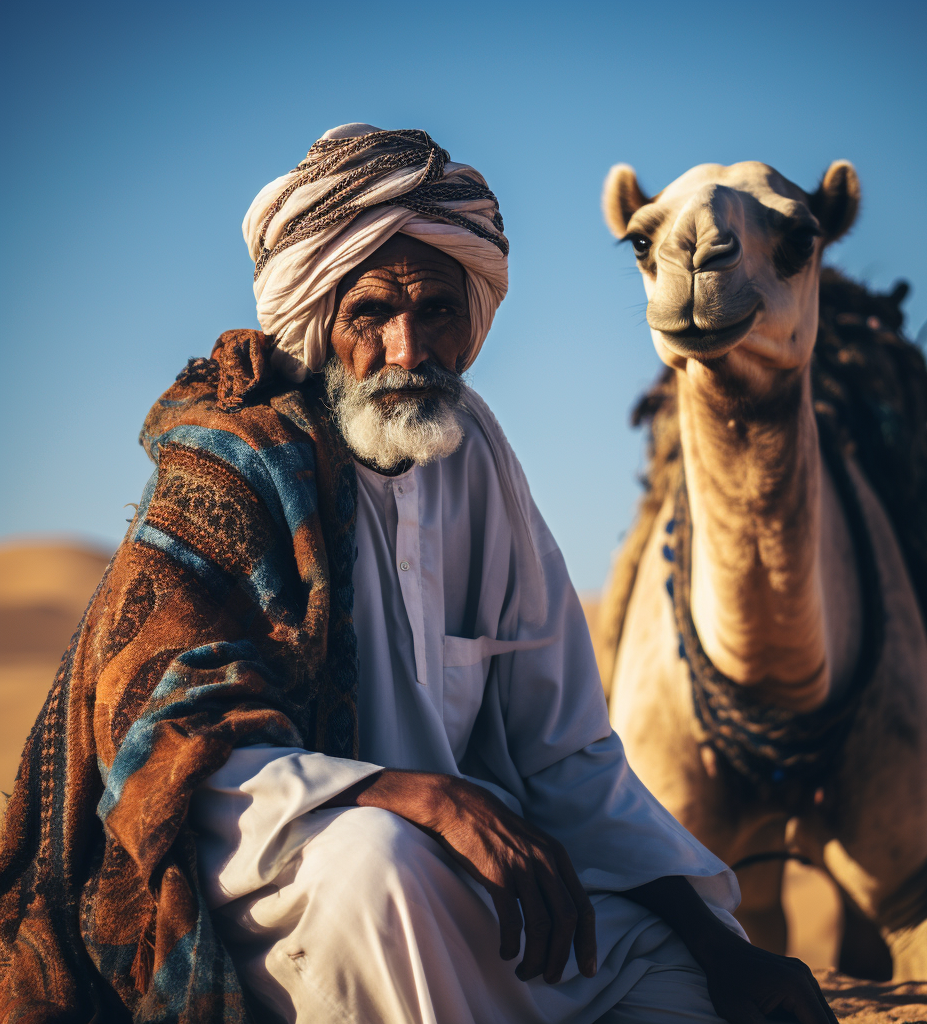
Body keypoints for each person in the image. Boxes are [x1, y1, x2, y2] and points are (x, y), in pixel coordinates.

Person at [0, 125, 837, 1024]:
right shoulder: (237, 463)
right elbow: (167, 747)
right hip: (283, 881)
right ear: (323, 320)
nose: (409, 350)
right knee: (376, 865)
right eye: (372, 315)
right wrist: (407, 795)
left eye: (436, 310)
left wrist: (716, 947)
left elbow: (566, 753)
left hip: (460, 870)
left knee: (677, 977)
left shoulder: (472, 449)